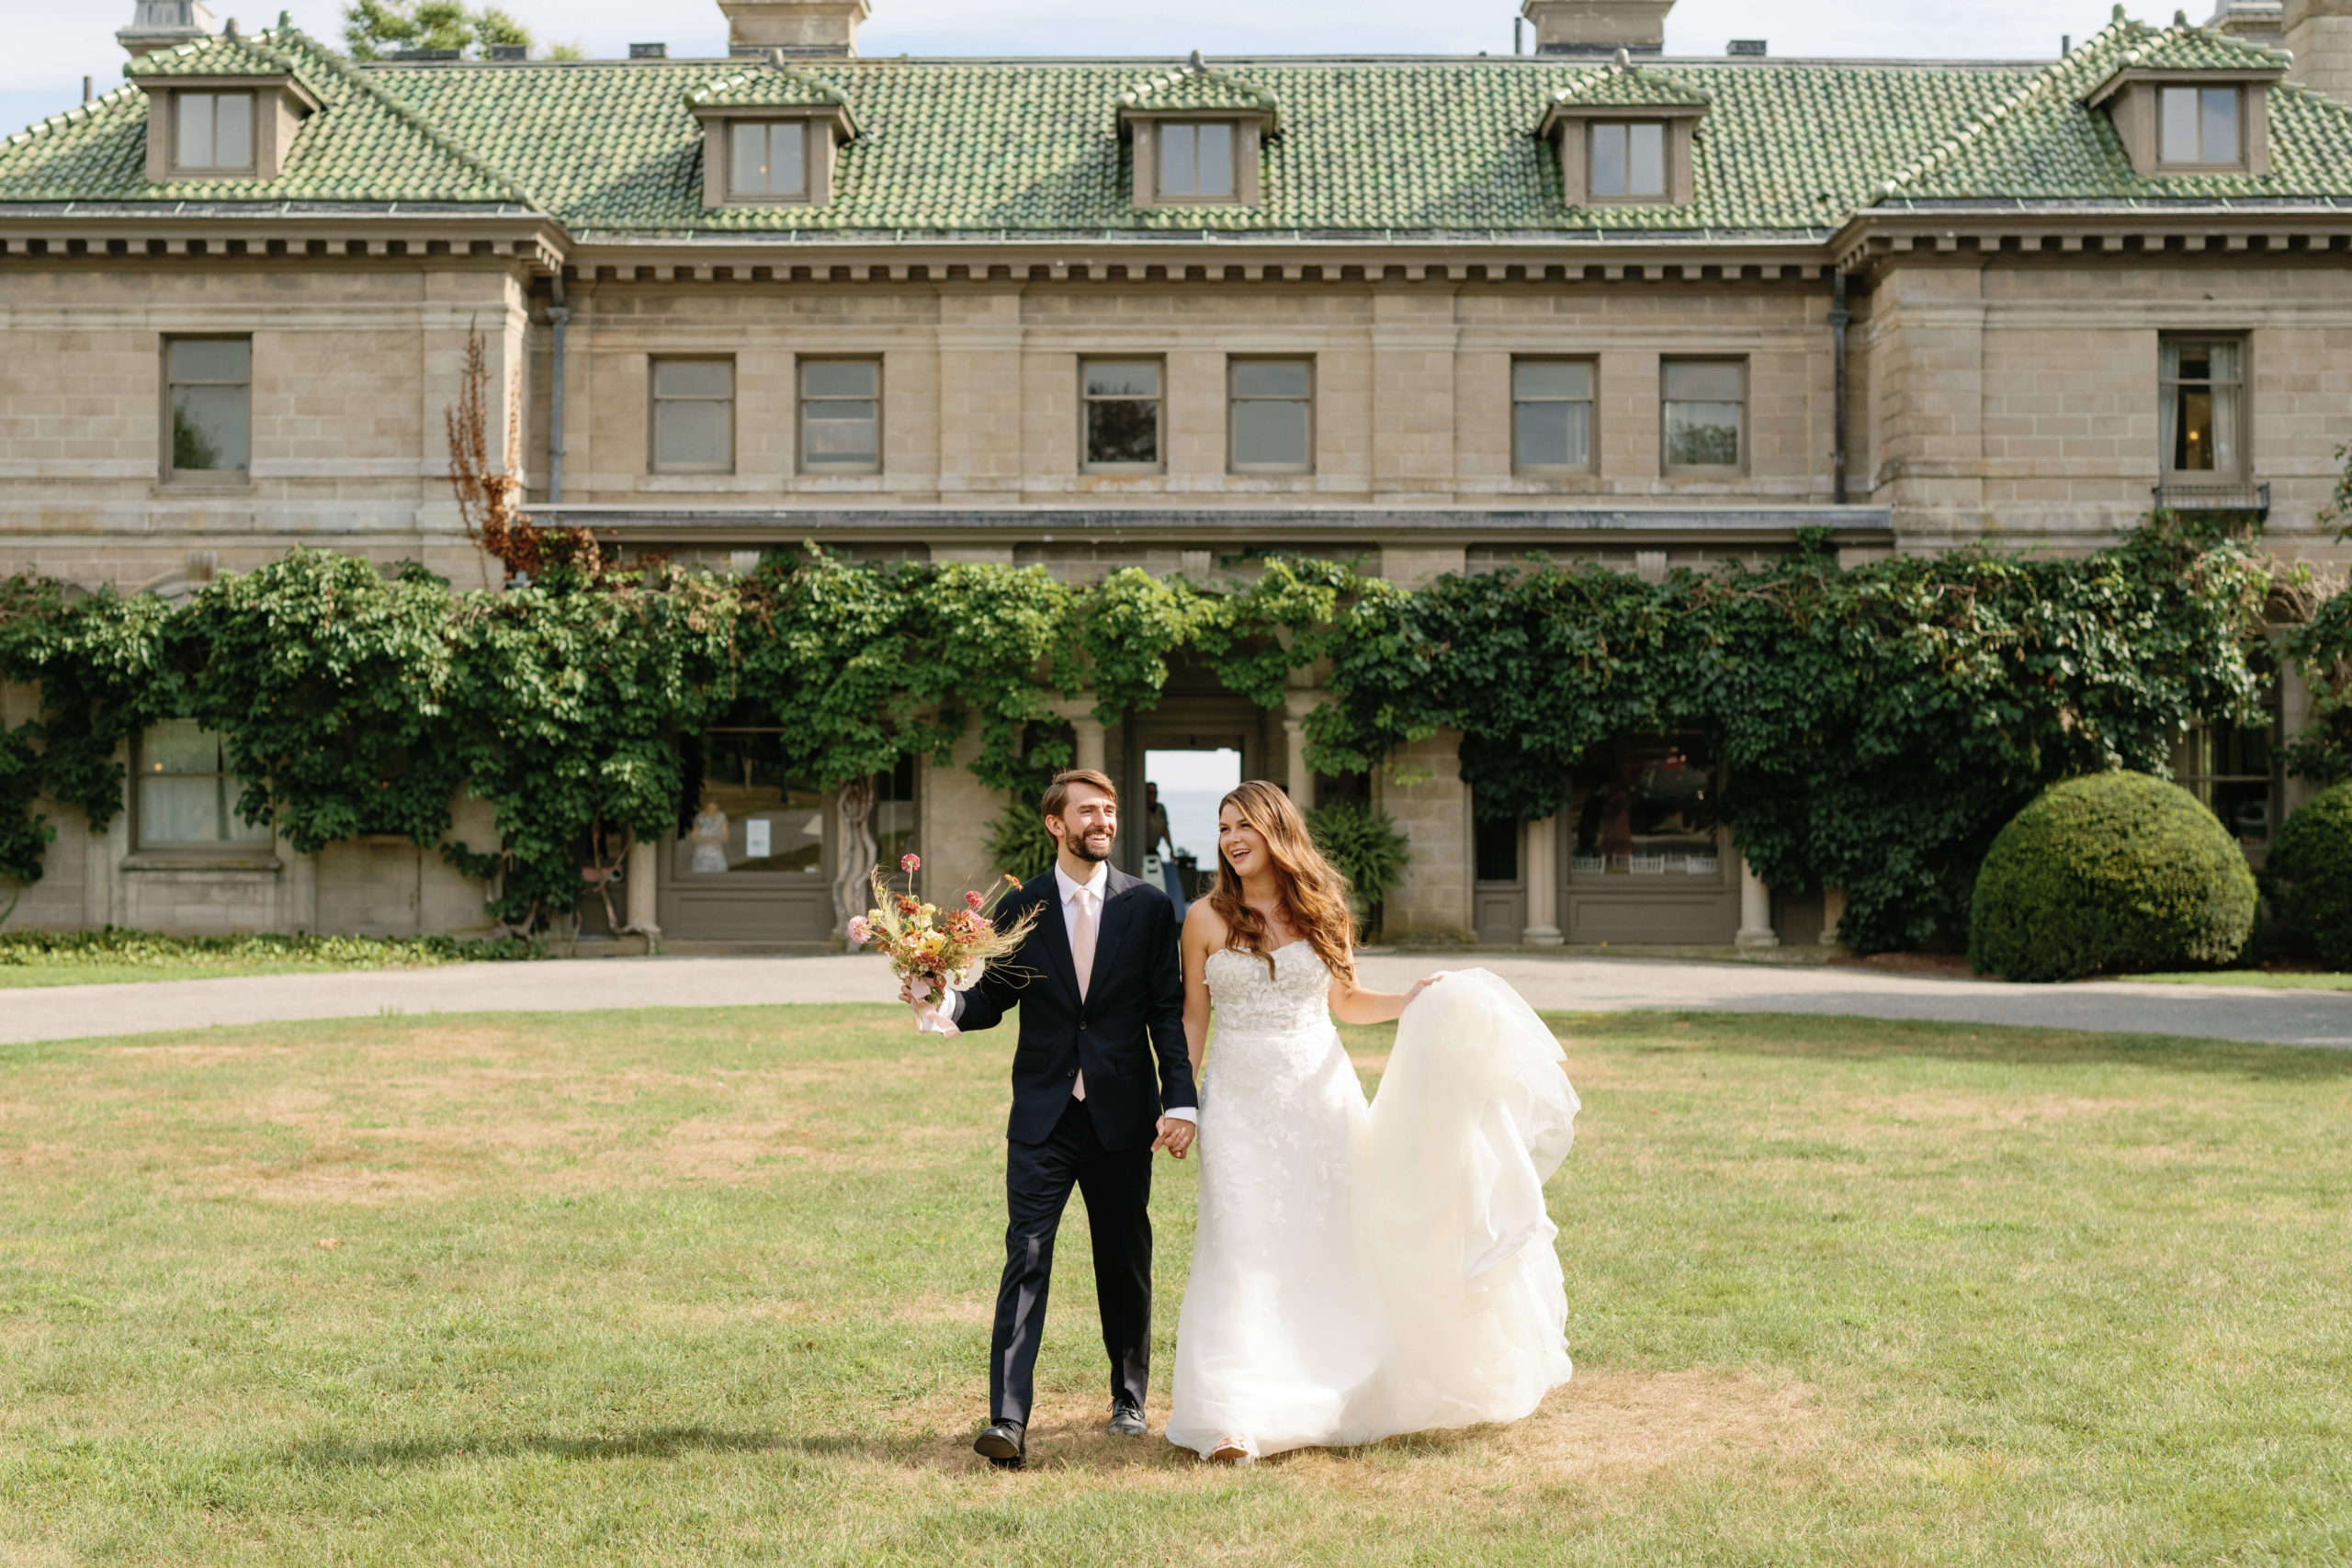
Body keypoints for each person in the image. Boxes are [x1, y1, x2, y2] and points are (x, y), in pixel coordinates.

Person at [1166, 780, 1579, 1463]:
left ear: (1277, 830)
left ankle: (1340, 1385)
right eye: (1223, 827)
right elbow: (1193, 1016)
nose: (1231, 838)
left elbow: (1347, 1001)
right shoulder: (1204, 918)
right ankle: (1234, 1412)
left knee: (1329, 1243)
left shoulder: (1323, 909)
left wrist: (1413, 999)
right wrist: (1181, 1102)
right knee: (1241, 1246)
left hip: (1320, 1100)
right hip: (1238, 1104)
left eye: (1244, 825)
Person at [902, 769, 1197, 1470]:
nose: (1104, 820)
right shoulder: (1022, 906)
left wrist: (1180, 1098)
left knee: (1123, 1257)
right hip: (1042, 1114)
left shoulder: (1149, 907)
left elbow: (1165, 1009)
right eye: (1088, 810)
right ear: (1055, 824)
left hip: (1124, 1115)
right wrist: (939, 1002)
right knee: (1026, 1255)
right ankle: (1008, 1418)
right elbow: (994, 998)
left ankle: (1128, 1397)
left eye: (1111, 810)